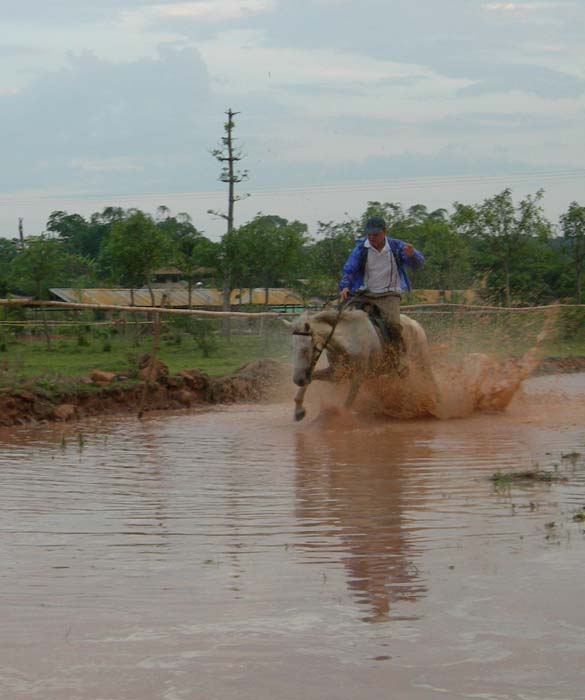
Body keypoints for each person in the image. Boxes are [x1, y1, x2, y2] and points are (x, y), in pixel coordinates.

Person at [339, 215, 424, 372]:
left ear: (384, 232)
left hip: (388, 294)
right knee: (341, 317)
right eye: (369, 235)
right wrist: (345, 286)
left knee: (392, 324)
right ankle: (341, 358)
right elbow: (350, 269)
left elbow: (417, 264)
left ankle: (398, 358)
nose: (372, 238)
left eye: (376, 235)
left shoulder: (397, 247)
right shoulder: (361, 249)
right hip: (364, 292)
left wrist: (412, 255)